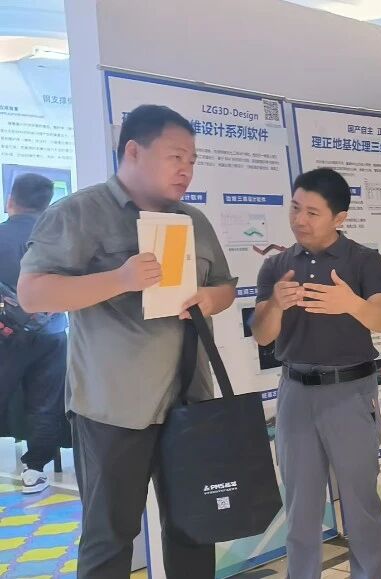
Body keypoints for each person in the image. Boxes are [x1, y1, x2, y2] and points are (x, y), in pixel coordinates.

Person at [18, 104, 236, 578]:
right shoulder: (79, 213)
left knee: (195, 528)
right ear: (133, 151)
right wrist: (120, 279)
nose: (186, 169)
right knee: (110, 538)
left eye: (193, 160)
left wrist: (209, 299)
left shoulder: (194, 221)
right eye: (176, 156)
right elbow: (33, 294)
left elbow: (225, 287)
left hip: (190, 403)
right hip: (113, 410)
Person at [251, 168, 381, 579]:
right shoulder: (276, 266)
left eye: (312, 212)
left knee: (361, 506)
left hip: (350, 393)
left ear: (339, 217)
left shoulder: (363, 260)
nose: (300, 220)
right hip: (295, 394)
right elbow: (262, 335)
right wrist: (275, 304)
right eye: (295, 208)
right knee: (300, 510)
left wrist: (351, 304)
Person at [0, 173, 68, 494]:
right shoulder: (59, 240)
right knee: (45, 402)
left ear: (10, 200)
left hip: (5, 333)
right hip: (52, 333)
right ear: (47, 204)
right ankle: (35, 470)